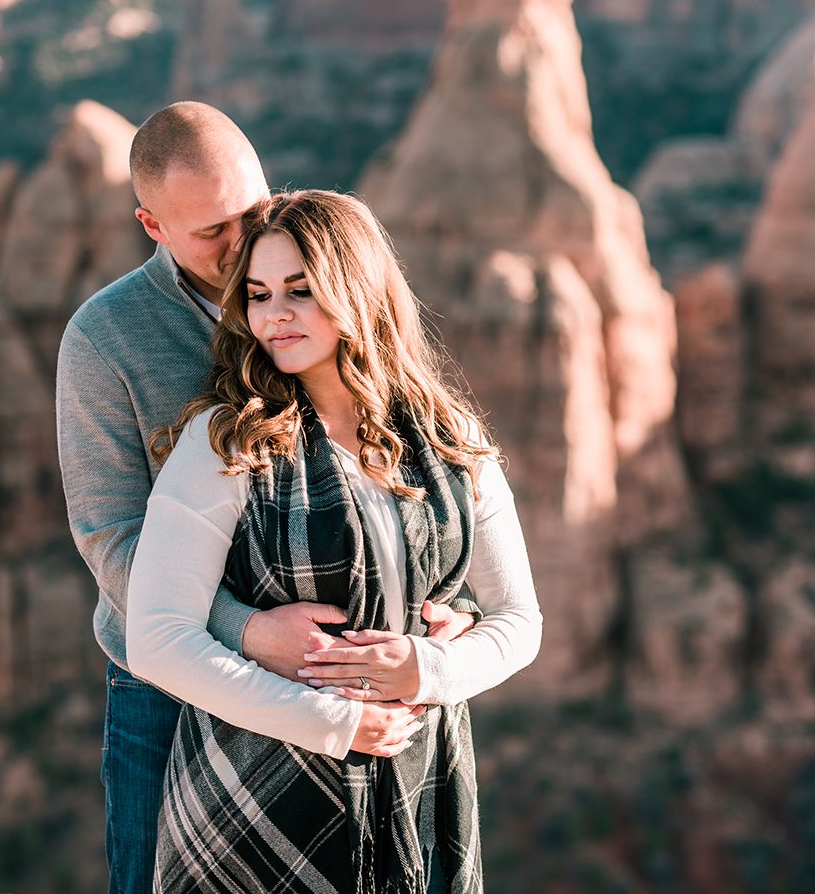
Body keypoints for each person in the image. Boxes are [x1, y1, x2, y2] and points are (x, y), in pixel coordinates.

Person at [56, 103, 481, 894]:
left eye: (253, 210)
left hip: (344, 676)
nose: (243, 242)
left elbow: (399, 469)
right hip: (168, 683)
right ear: (152, 224)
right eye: (213, 231)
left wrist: (451, 604)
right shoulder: (105, 339)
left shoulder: (317, 289)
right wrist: (247, 631)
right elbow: (110, 537)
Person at [126, 190, 542, 892]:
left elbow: (520, 622)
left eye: (300, 290)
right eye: (257, 294)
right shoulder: (227, 441)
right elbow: (158, 636)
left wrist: (428, 669)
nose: (274, 314)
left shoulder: (451, 441)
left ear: (356, 286)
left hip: (419, 781)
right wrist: (332, 719)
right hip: (252, 802)